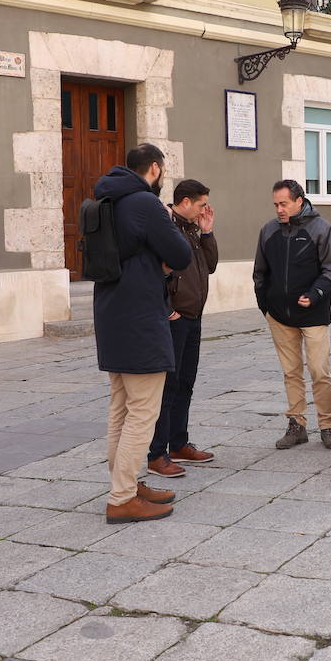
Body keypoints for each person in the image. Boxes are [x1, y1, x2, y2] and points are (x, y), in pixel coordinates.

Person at [93, 144, 192, 522]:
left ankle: (128, 485)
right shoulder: (144, 203)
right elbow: (180, 254)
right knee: (142, 413)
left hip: (111, 314)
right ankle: (121, 498)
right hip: (140, 319)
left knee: (120, 408)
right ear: (155, 168)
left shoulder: (106, 199)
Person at [254, 179, 331, 450]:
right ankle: (297, 425)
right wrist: (266, 307)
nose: (279, 209)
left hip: (314, 314)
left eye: (284, 203)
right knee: (291, 372)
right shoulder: (268, 231)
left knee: (319, 370)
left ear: (299, 201)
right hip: (279, 316)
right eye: (276, 204)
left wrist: (315, 294)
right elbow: (260, 273)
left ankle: (327, 425)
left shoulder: (321, 228)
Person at [147, 180, 219, 478]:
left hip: (194, 317)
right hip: (175, 319)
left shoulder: (192, 228)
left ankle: (178, 443)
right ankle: (157, 454)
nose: (205, 209)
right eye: (202, 204)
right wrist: (168, 311)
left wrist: (208, 232)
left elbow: (210, 265)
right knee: (169, 385)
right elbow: (154, 272)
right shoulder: (167, 226)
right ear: (186, 201)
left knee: (186, 382)